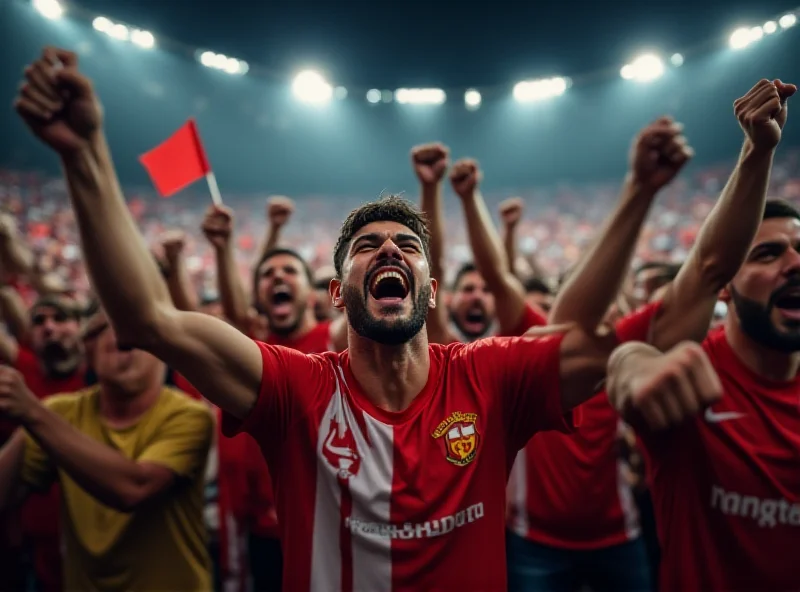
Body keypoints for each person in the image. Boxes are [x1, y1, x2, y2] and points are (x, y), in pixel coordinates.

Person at [14, 47, 723, 591]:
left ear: (432, 290)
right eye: (367, 247)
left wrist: (634, 352)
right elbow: (145, 318)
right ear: (337, 294)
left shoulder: (491, 375)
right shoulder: (294, 390)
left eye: (408, 245)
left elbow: (620, 340)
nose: (389, 249)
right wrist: (84, 155)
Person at [0, 309, 214, 590]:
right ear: (87, 347)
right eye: (108, 327)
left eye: (135, 328)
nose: (124, 336)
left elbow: (134, 486)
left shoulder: (189, 415)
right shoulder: (61, 413)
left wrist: (32, 411)